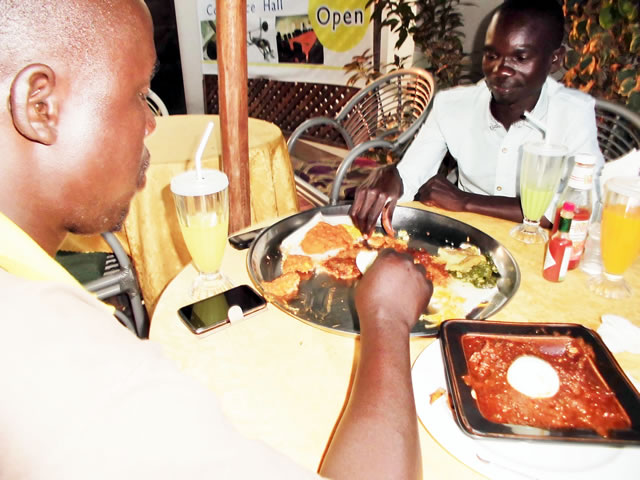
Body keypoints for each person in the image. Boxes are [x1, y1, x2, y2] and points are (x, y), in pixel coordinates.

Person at [0, 1, 432, 478]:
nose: (151, 123)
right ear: (40, 106)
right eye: (139, 93)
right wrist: (388, 317)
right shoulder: (70, 372)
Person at [350, 0, 604, 235]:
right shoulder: (452, 106)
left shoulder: (573, 113)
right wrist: (390, 176)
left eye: (520, 57)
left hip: (537, 245)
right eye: (492, 55)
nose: (501, 70)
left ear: (555, 60)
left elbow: (583, 206)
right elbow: (411, 175)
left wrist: (467, 202)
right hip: (463, 240)